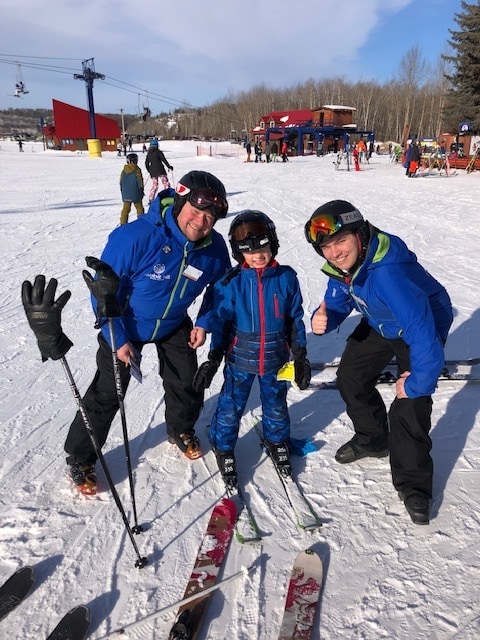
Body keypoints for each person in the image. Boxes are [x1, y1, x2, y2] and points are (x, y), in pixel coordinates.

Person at [63, 170, 231, 494]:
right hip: (126, 324)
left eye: (209, 217)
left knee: (186, 382)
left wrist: (204, 322)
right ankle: (80, 457)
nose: (200, 222)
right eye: (195, 212)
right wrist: (119, 338)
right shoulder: (135, 236)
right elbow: (102, 293)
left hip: (173, 323)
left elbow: (221, 288)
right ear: (180, 203)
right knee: (107, 393)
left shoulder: (214, 249)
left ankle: (180, 429)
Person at [304, 200, 453, 525]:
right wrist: (326, 318)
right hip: (380, 320)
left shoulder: (388, 275)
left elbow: (423, 336)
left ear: (359, 234)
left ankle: (414, 485)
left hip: (419, 322)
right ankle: (373, 439)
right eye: (326, 247)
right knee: (350, 378)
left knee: (409, 405)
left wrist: (415, 383)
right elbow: (338, 299)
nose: (335, 252)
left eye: (340, 241)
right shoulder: (348, 266)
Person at [193, 211, 311, 490]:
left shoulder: (286, 278)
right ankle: (223, 444)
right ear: (239, 254)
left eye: (264, 249)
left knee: (276, 405)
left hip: (276, 360)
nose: (258, 256)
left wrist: (301, 355)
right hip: (239, 360)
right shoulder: (231, 283)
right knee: (231, 406)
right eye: (250, 252)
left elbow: (295, 319)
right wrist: (213, 358)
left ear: (274, 246)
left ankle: (277, 439)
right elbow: (221, 322)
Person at [119, 153, 144, 225]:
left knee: (125, 209)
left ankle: (123, 223)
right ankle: (141, 222)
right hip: (135, 193)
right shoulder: (137, 169)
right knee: (139, 207)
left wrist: (123, 191)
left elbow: (121, 182)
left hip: (126, 193)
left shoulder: (123, 171)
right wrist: (141, 190)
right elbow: (140, 181)